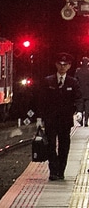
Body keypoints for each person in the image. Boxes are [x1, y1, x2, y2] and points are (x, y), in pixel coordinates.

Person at [39, 52, 80, 180]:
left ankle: (61, 170)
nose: (62, 67)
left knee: (64, 145)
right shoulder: (48, 81)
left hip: (65, 120)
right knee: (50, 144)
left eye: (65, 64)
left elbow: (78, 98)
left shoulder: (73, 82)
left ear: (69, 66)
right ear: (56, 65)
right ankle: (53, 170)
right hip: (50, 119)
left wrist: (78, 111)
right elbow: (41, 100)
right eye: (60, 64)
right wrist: (40, 117)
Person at [76, 56, 89, 125]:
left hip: (80, 91)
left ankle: (80, 121)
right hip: (88, 92)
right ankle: (86, 121)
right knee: (87, 107)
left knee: (80, 107)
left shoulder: (78, 70)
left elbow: (75, 80)